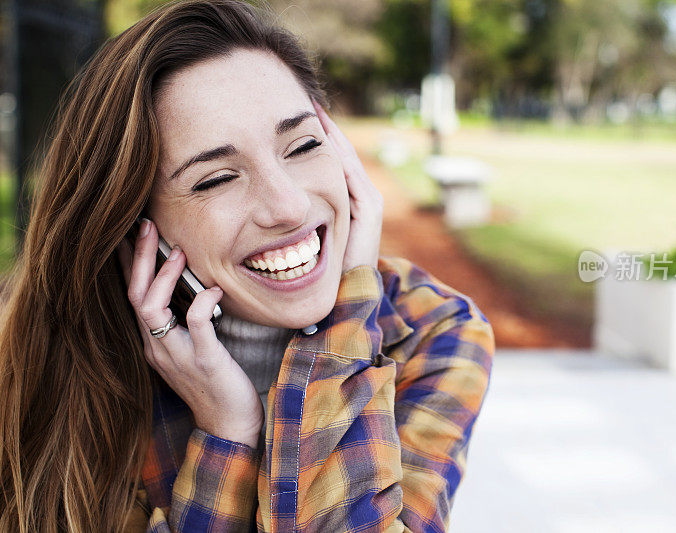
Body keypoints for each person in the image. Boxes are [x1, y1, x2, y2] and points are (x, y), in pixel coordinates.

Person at [0, 0, 495, 531]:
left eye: (303, 145)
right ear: (136, 226)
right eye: (216, 178)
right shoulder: (61, 365)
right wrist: (227, 433)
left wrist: (337, 341)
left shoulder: (434, 328)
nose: (288, 206)